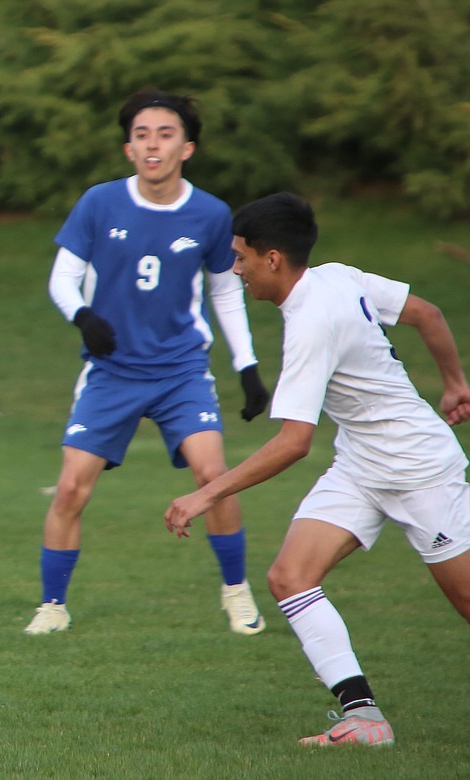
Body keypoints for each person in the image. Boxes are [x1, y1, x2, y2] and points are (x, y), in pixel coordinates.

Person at [165, 192, 470, 746]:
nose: (236, 269)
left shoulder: (310, 322)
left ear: (273, 258)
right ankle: (365, 721)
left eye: (242, 257)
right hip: (361, 463)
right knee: (289, 577)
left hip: (420, 468)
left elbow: (293, 443)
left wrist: (206, 494)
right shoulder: (336, 276)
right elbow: (427, 313)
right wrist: (454, 382)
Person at [24, 88, 271, 636]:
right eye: (142, 135)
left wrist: (247, 367)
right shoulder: (99, 202)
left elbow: (225, 293)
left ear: (187, 147)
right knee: (70, 488)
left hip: (181, 371)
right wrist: (84, 316)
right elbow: (62, 278)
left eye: (165, 134)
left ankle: (236, 592)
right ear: (128, 148)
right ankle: (52, 607)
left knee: (215, 476)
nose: (152, 144)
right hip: (111, 372)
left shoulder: (209, 213)